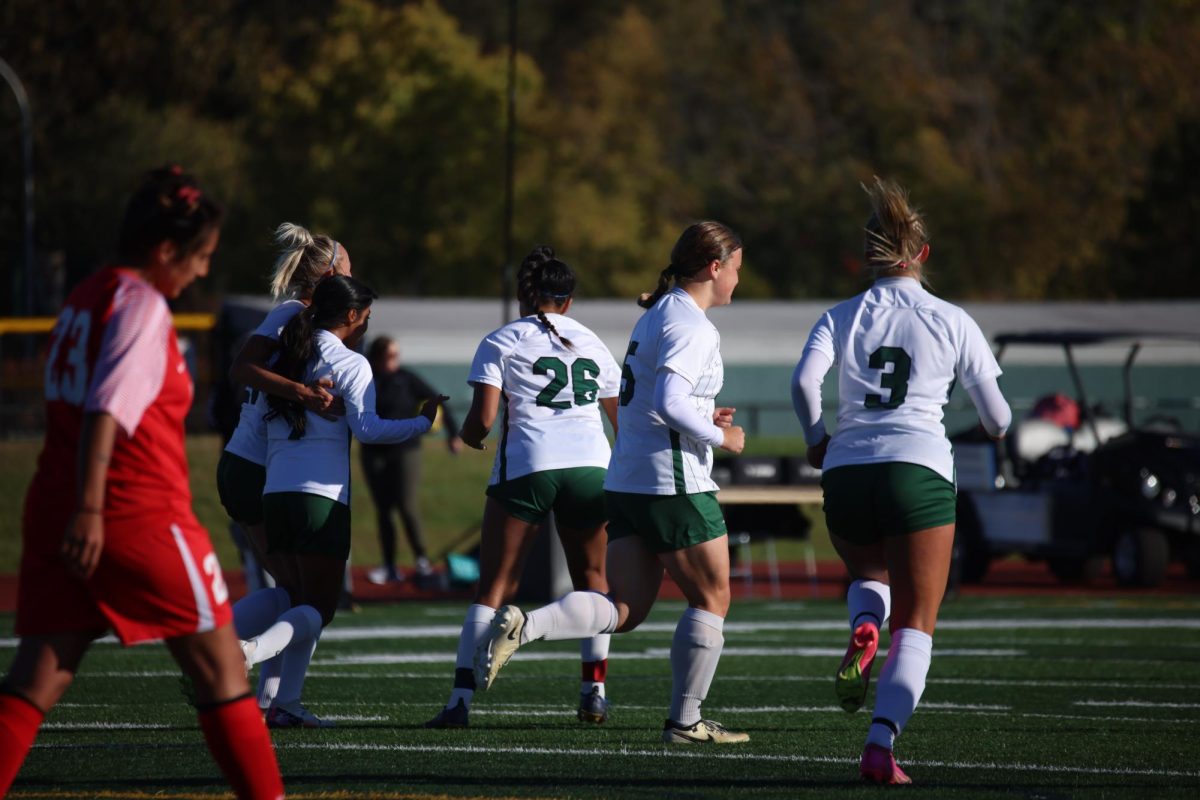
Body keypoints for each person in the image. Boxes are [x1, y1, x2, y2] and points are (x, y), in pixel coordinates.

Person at [0, 166, 284, 799]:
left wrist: (79, 509)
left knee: (35, 680)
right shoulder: (142, 306)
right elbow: (107, 409)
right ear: (164, 251)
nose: (203, 273)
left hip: (57, 507)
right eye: (201, 257)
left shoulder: (83, 297)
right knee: (222, 671)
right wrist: (94, 509)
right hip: (131, 515)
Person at [474, 223, 750, 746]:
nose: (739, 277)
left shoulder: (660, 314)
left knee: (624, 607)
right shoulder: (692, 324)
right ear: (714, 267)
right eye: (736, 266)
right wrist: (719, 434)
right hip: (672, 481)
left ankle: (524, 627)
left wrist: (699, 412)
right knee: (712, 597)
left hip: (628, 477)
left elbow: (655, 398)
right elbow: (668, 403)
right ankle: (686, 721)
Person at [791, 177, 1011, 784]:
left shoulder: (840, 315)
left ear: (867, 257)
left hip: (848, 472)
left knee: (870, 576)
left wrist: (817, 441)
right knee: (917, 624)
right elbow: (997, 419)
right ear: (923, 255)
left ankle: (864, 623)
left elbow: (804, 384)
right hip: (918, 469)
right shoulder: (951, 318)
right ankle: (881, 745)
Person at [425, 246, 621, 729]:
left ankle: (460, 702)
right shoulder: (593, 341)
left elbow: (483, 421)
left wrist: (466, 438)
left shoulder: (501, 339)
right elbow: (623, 420)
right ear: (569, 301)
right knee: (593, 578)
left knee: (494, 584)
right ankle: (593, 692)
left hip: (531, 464)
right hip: (593, 466)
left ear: (522, 295)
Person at [243, 273, 443, 727]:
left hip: (275, 492)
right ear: (352, 316)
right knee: (320, 607)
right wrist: (420, 423)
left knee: (293, 597)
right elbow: (369, 430)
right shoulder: (352, 363)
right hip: (321, 497)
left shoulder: (283, 351)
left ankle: (282, 703)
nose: (367, 325)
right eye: (366, 317)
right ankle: (251, 650)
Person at [214, 222, 352, 725]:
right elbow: (243, 369)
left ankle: (271, 701)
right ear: (332, 273)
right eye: (349, 269)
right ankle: (225, 661)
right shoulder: (293, 312)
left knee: (295, 594)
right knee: (309, 598)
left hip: (253, 464)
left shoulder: (308, 319)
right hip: (254, 465)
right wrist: (304, 394)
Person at [361, 335, 461, 585]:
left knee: (406, 505)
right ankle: (389, 565)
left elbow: (436, 399)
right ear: (377, 358)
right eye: (389, 356)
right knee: (383, 509)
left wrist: (452, 433)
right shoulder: (366, 379)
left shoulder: (405, 378)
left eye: (396, 355)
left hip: (406, 450)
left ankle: (422, 560)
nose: (394, 361)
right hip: (374, 450)